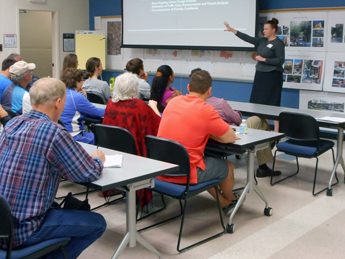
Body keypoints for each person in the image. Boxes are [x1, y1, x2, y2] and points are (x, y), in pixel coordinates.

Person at [0, 77, 106, 258]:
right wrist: (98, 160)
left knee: (57, 207)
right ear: (58, 102)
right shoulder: (54, 132)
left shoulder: (12, 124)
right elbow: (87, 172)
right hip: (24, 229)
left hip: (3, 222)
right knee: (97, 223)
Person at [157, 70, 239, 215]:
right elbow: (230, 137)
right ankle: (231, 200)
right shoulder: (206, 110)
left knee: (201, 161)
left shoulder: (173, 102)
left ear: (188, 87)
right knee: (228, 167)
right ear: (209, 91)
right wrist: (210, 133)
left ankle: (223, 201)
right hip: (186, 172)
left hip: (162, 168)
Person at [190, 68, 281, 177]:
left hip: (206, 145)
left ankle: (265, 149)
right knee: (259, 121)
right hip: (229, 139)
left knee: (256, 123)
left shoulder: (183, 105)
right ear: (209, 90)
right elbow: (237, 119)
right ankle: (263, 163)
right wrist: (234, 114)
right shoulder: (220, 104)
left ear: (189, 87)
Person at [103, 72, 161, 208]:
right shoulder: (139, 106)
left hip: (114, 152)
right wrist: (153, 107)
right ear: (135, 89)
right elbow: (158, 125)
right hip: (134, 156)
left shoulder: (110, 104)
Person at [224, 18, 285, 131]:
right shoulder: (262, 41)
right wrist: (233, 30)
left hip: (273, 76)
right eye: (264, 29)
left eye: (266, 29)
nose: (264, 31)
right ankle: (262, 127)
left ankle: (276, 131)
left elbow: (280, 60)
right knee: (259, 102)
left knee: (272, 103)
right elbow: (248, 38)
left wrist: (264, 59)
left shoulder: (278, 43)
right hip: (261, 75)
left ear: (273, 30)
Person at [60, 69, 105, 144]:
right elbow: (97, 112)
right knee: (101, 138)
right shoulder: (77, 97)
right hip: (74, 136)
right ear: (77, 83)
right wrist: (111, 107)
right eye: (82, 81)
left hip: (62, 135)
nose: (83, 83)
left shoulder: (60, 93)